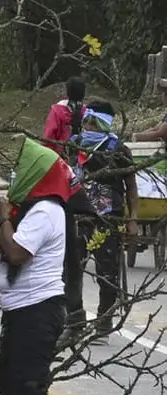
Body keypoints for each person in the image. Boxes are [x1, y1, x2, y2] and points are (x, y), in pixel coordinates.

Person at [0, 138, 71, 395]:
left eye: (20, 170)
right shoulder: (32, 209)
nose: (15, 175)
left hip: (37, 311)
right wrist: (8, 218)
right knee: (8, 382)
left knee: (27, 386)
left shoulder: (45, 212)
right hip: (22, 310)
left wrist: (3, 220)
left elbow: (17, 253)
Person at [69, 101, 138, 343]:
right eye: (85, 121)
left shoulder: (118, 150)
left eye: (92, 123)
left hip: (108, 219)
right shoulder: (74, 144)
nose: (87, 126)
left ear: (102, 124)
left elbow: (130, 187)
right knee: (72, 268)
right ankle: (75, 319)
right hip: (77, 217)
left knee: (106, 271)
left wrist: (132, 220)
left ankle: (104, 320)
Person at [40, 77, 86, 157]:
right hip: (81, 156)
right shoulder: (87, 112)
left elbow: (49, 135)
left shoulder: (57, 110)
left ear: (67, 91)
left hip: (60, 156)